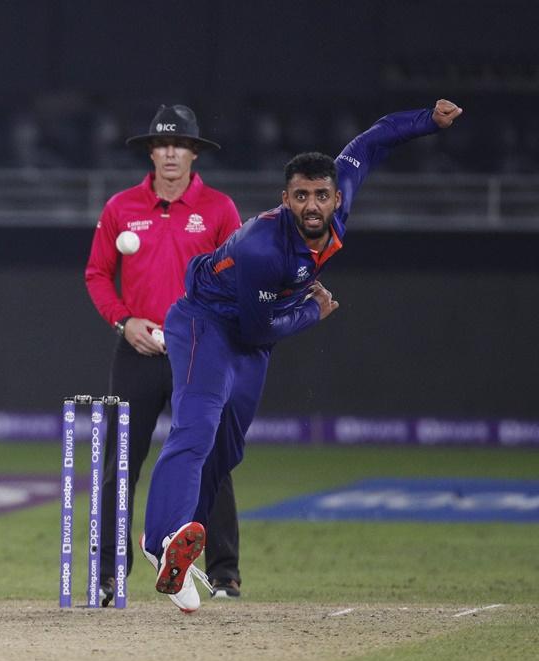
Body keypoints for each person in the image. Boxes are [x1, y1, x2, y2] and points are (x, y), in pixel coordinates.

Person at [143, 100, 464, 610]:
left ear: (337, 196)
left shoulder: (339, 197)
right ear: (284, 200)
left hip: (255, 333)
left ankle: (179, 555)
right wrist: (314, 313)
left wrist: (428, 120)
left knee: (227, 452)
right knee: (196, 426)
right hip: (209, 321)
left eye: (321, 196)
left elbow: (372, 140)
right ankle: (161, 538)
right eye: (300, 197)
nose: (312, 206)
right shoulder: (261, 249)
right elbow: (254, 328)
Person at [85, 104, 243, 611]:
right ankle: (109, 576)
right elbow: (96, 274)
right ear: (151, 151)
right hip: (137, 348)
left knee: (209, 455)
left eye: (180, 145)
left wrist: (205, 327)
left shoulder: (219, 210)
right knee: (120, 460)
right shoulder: (121, 208)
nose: (170, 153)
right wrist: (123, 321)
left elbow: (238, 279)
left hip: (198, 350)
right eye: (162, 144)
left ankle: (223, 574)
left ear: (194, 152)